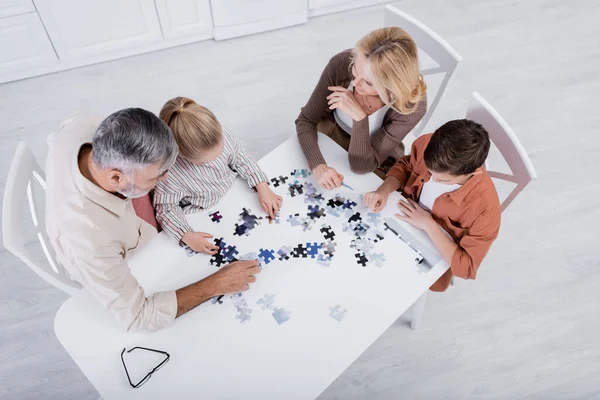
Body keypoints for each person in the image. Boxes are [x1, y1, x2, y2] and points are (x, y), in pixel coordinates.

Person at [46, 109, 261, 332]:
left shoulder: (86, 124)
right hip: (132, 263)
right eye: (157, 175)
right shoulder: (88, 240)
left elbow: (61, 132)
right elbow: (137, 317)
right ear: (116, 178)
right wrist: (215, 284)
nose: (167, 177)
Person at [364, 119, 501, 291]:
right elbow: (406, 165)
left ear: (473, 173)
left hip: (433, 249)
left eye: (443, 179)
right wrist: (384, 189)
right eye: (429, 171)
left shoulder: (485, 211)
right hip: (398, 217)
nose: (432, 179)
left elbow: (466, 267)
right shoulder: (428, 144)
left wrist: (429, 225)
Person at [296, 27, 428, 189]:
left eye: (369, 82)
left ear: (392, 87)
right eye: (355, 70)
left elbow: (362, 166)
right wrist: (318, 166)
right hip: (330, 134)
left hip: (374, 155)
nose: (356, 84)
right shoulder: (341, 63)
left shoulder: (413, 106)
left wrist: (360, 119)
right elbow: (306, 120)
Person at [154, 97, 282, 254]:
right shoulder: (169, 174)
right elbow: (165, 208)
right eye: (203, 162)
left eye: (220, 150)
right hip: (204, 214)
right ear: (179, 153)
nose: (217, 158)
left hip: (237, 192)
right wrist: (185, 234)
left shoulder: (220, 134)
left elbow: (240, 156)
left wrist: (262, 186)